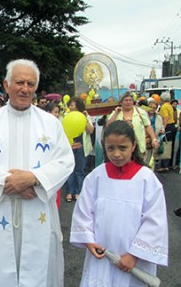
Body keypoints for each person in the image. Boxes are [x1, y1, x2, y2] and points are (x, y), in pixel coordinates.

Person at [0, 59, 75, 286]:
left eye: (30, 83)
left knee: (40, 270)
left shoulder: (50, 123)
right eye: (19, 82)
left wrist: (34, 179)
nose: (25, 88)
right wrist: (12, 183)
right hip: (2, 208)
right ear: (6, 85)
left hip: (38, 208)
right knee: (2, 268)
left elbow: (65, 161)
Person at [70, 121, 168, 286]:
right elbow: (84, 212)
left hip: (133, 260)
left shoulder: (146, 179)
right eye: (110, 148)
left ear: (133, 146)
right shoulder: (96, 177)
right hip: (101, 254)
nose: (116, 154)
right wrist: (88, 240)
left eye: (123, 148)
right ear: (104, 148)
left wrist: (134, 255)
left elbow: (155, 220)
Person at [106, 91, 159, 162]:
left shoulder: (140, 112)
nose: (128, 102)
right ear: (121, 102)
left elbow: (148, 126)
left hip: (139, 146)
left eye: (130, 100)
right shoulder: (116, 113)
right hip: (122, 146)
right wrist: (115, 113)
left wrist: (154, 139)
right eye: (126, 100)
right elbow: (108, 126)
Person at [65, 97, 94, 202]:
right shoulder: (65, 116)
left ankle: (78, 192)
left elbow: (90, 131)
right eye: (70, 105)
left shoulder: (86, 116)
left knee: (79, 170)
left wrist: (85, 118)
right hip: (70, 146)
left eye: (72, 105)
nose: (70, 107)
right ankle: (69, 191)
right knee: (69, 170)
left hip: (82, 147)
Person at [157, 92, 177, 171]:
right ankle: (169, 164)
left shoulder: (164, 106)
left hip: (168, 126)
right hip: (172, 126)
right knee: (170, 145)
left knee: (165, 145)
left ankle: (164, 165)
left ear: (162, 99)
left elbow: (166, 117)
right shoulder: (170, 106)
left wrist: (163, 128)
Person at [146, 100, 164, 170]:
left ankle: (151, 174)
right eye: (150, 107)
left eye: (154, 107)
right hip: (145, 141)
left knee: (152, 160)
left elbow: (161, 126)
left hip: (155, 141)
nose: (152, 109)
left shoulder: (159, 117)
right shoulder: (143, 115)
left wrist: (162, 130)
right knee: (144, 160)